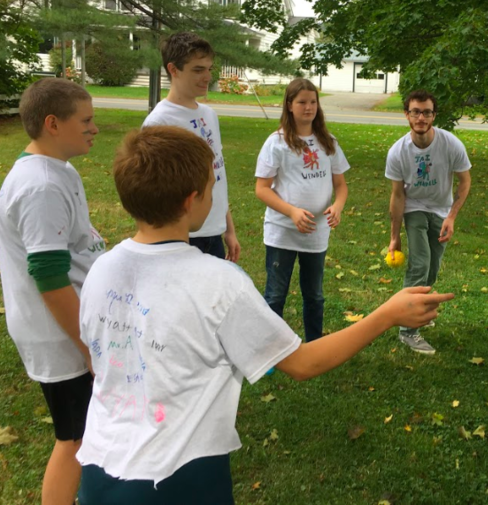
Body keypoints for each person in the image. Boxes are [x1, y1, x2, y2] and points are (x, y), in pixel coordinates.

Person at [75, 126, 453, 504]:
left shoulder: (102, 269)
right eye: (213, 184)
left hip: (96, 472)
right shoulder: (218, 281)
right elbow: (302, 363)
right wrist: (387, 314)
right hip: (179, 479)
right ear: (193, 200)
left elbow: (99, 361)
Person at [0, 78, 105, 505]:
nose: (94, 128)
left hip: (75, 326)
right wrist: (88, 346)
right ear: (52, 124)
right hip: (60, 334)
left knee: (87, 431)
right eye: (86, 120)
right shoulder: (39, 186)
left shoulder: (59, 169)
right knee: (74, 438)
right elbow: (48, 276)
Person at [255, 78, 349, 341]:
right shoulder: (277, 142)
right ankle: (271, 350)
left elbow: (340, 185)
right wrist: (292, 212)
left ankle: (314, 345)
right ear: (289, 105)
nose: (308, 108)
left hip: (316, 234)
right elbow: (262, 188)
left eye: (313, 102)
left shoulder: (328, 142)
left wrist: (338, 206)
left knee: (314, 295)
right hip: (282, 232)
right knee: (275, 294)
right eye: (302, 102)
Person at [385, 90, 472, 354]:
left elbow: (465, 181)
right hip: (414, 208)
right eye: (415, 111)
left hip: (441, 210)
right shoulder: (398, 151)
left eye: (426, 112)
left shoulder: (450, 144)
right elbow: (398, 195)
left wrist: (452, 217)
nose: (420, 117)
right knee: (419, 264)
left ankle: (418, 312)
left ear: (434, 115)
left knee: (432, 269)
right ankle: (407, 330)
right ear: (407, 114)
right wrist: (394, 235)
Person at [142, 31, 240, 262]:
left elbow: (217, 173)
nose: (207, 76)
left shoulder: (209, 115)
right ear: (173, 69)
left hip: (213, 233)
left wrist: (229, 229)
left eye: (209, 69)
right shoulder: (159, 123)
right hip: (182, 238)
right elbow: (155, 195)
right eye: (198, 70)